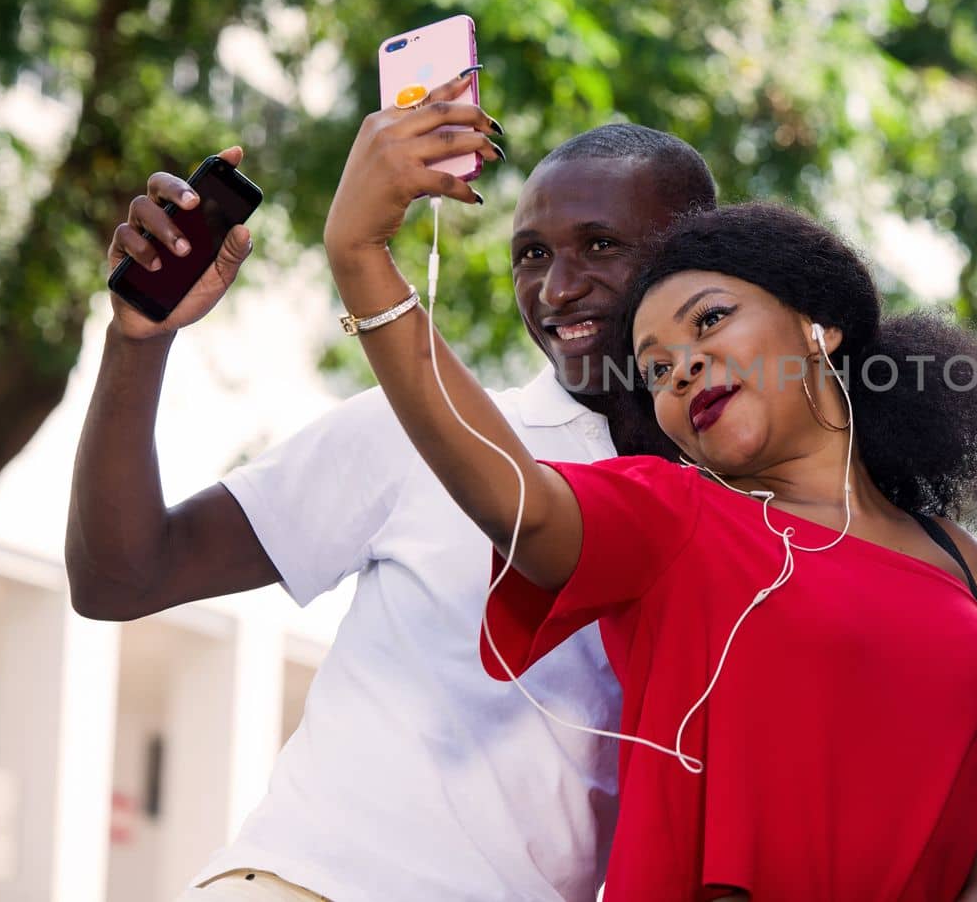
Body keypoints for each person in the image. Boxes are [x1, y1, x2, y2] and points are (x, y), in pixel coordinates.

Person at [320, 75, 977, 900]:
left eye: (710, 321)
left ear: (818, 327)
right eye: (656, 369)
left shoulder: (961, 562)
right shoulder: (676, 517)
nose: (684, 367)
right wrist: (361, 259)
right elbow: (515, 500)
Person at [65, 77, 718, 901]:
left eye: (602, 246)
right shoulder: (419, 422)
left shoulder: (747, 516)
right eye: (532, 254)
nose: (556, 290)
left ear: (701, 260)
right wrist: (137, 342)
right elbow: (119, 578)